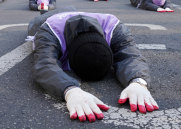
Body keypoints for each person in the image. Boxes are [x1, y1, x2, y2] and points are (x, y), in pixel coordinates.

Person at [26, 7, 159, 123]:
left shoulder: (115, 27)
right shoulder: (48, 32)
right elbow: (44, 64)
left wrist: (138, 81)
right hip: (47, 20)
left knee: (71, 9)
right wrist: (70, 91)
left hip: (76, 13)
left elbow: (131, 55)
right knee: (34, 23)